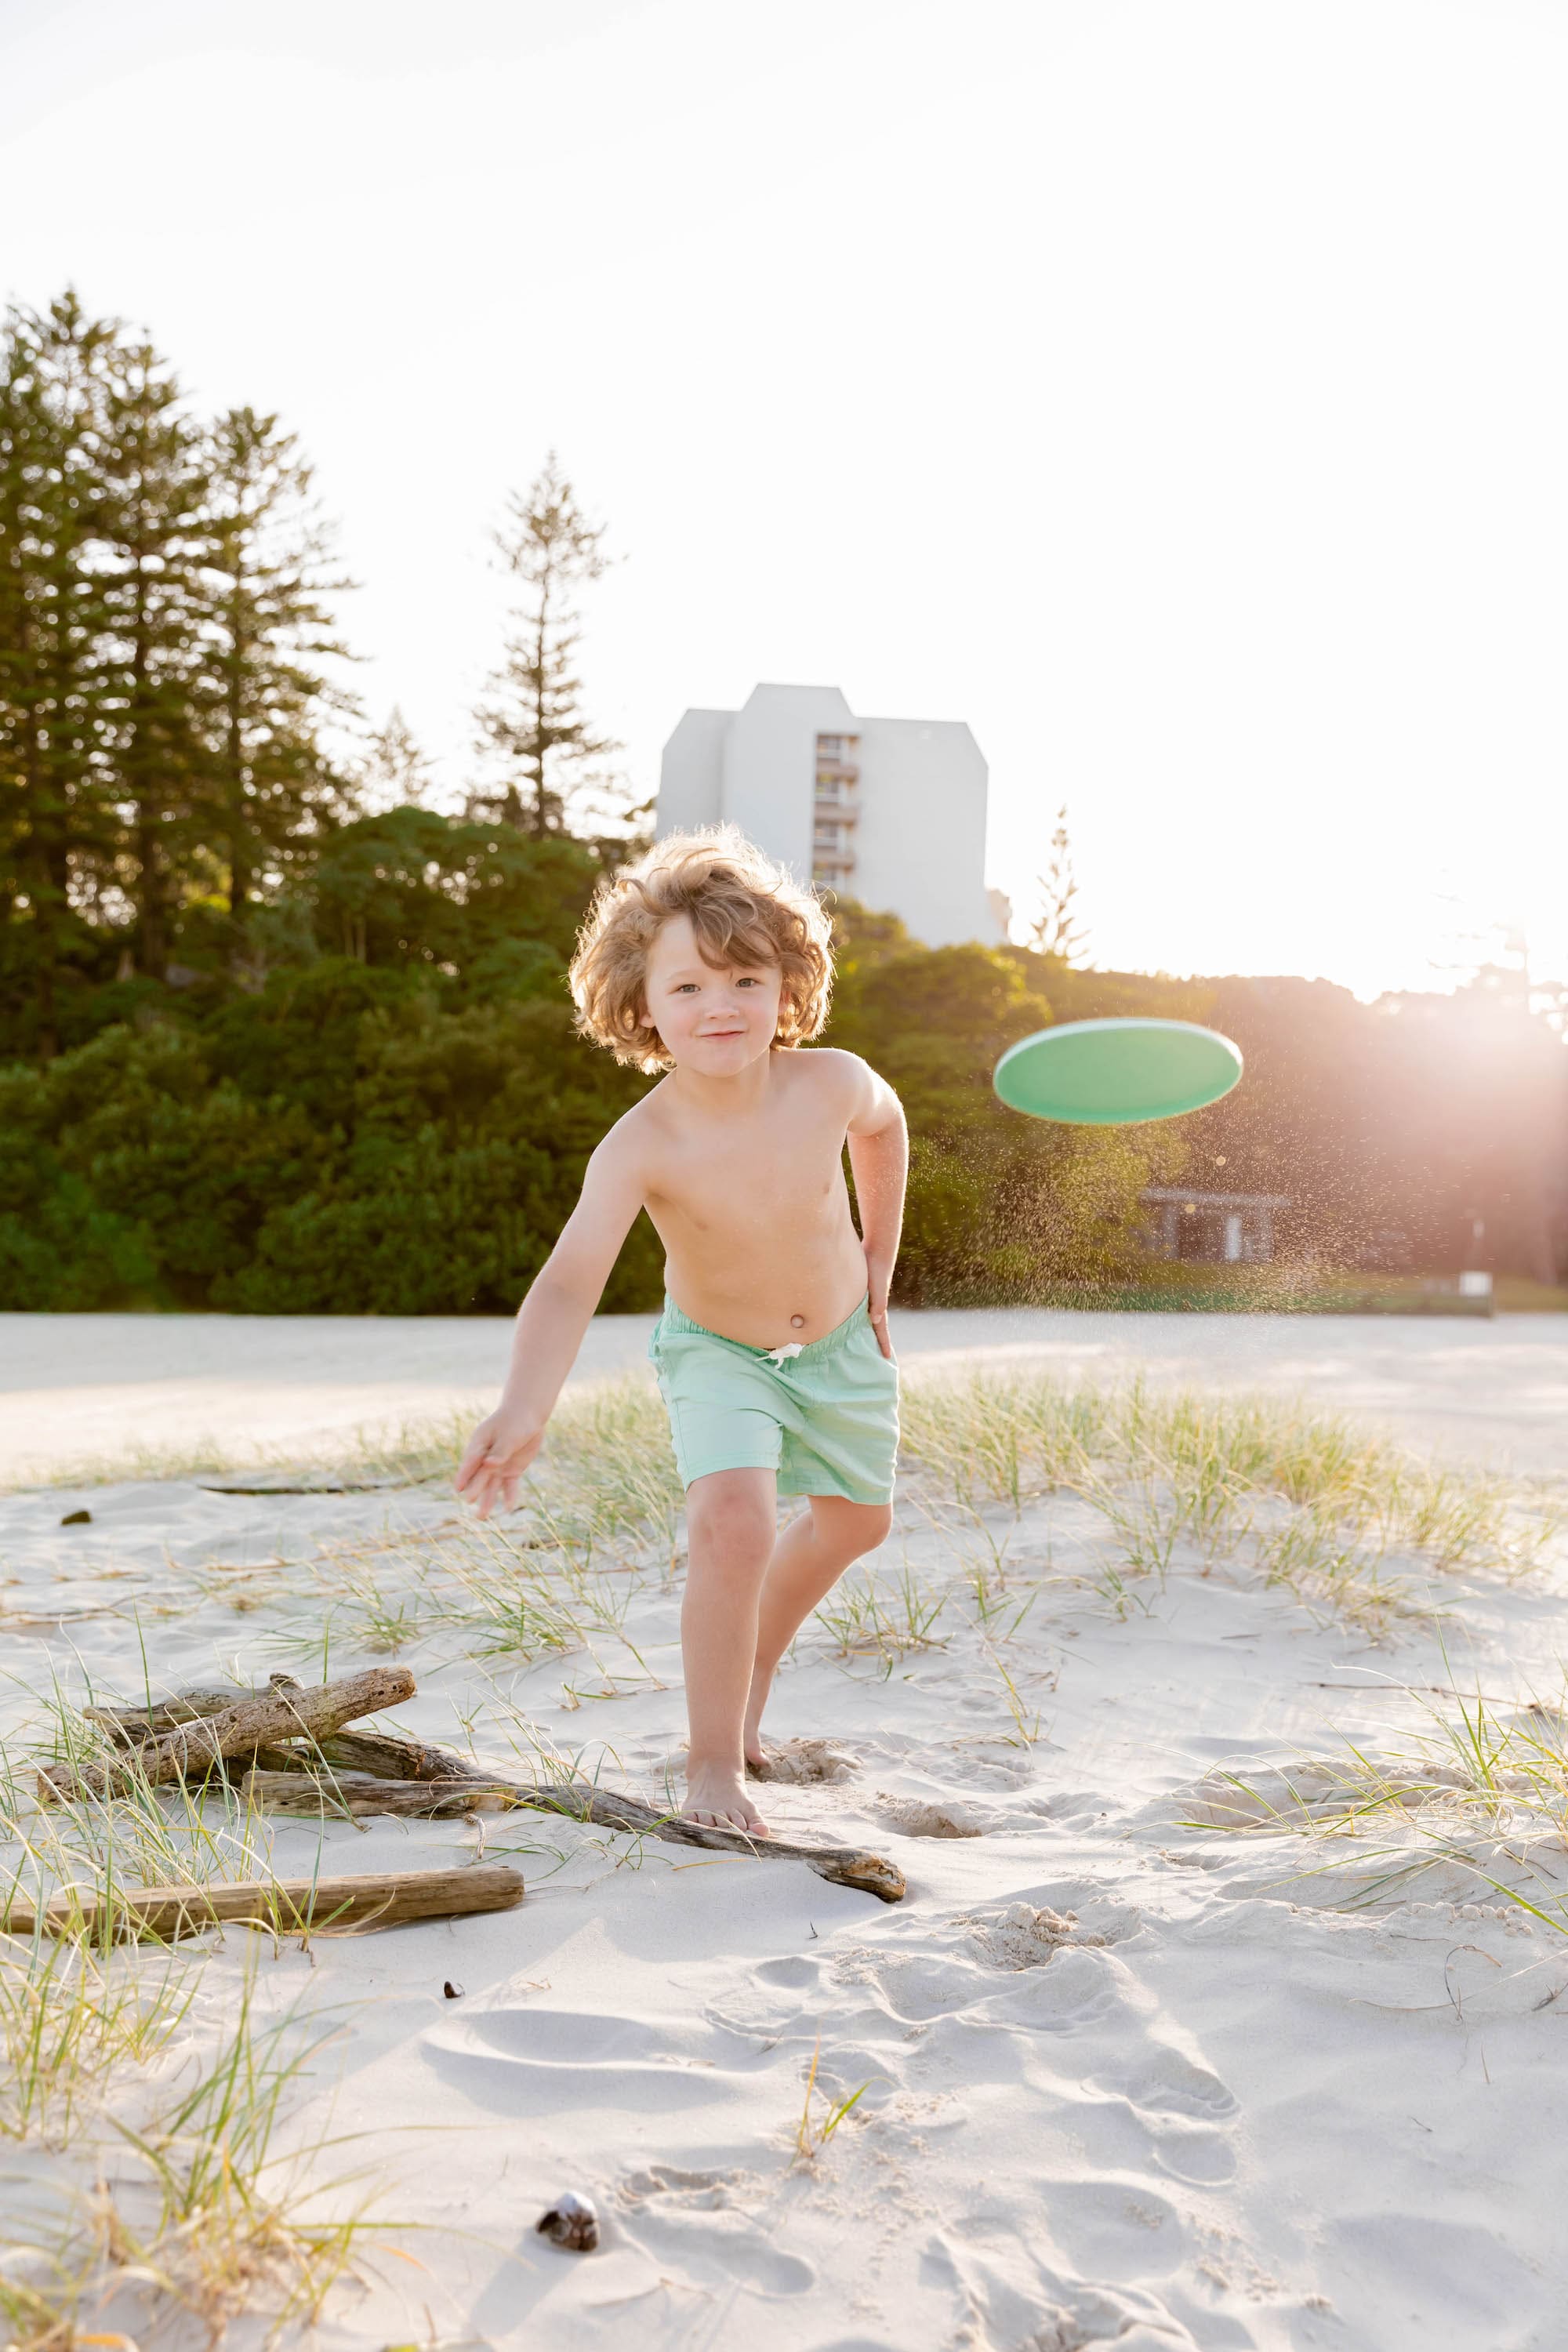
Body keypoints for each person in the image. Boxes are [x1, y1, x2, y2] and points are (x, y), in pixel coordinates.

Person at [455, 826, 906, 1836]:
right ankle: (712, 1763)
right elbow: (571, 1282)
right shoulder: (641, 1143)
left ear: (786, 986)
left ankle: (752, 1674)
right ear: (641, 1005)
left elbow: (886, 1126)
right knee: (734, 1525)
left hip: (838, 1344)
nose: (721, 1008)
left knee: (858, 1520)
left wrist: (879, 1260)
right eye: (689, 988)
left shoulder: (831, 1082)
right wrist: (524, 1406)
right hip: (717, 1352)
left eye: (745, 980)